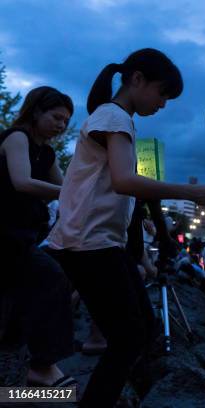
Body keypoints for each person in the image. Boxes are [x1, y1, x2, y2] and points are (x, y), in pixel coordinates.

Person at [47, 48, 205, 407]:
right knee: (129, 338)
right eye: (162, 94)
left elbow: (125, 185)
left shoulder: (115, 117)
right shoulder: (115, 117)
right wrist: (190, 192)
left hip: (99, 243)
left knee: (142, 330)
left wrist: (159, 229)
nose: (163, 104)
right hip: (89, 243)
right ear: (137, 79)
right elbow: (124, 181)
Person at [0, 86, 76, 387]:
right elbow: (22, 182)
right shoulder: (17, 137)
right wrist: (71, 193)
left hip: (22, 235)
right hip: (4, 233)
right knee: (51, 277)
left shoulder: (47, 153)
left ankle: (18, 359)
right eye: (56, 117)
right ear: (36, 111)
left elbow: (69, 187)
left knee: (40, 284)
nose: (61, 125)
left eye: (66, 121)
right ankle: (42, 365)